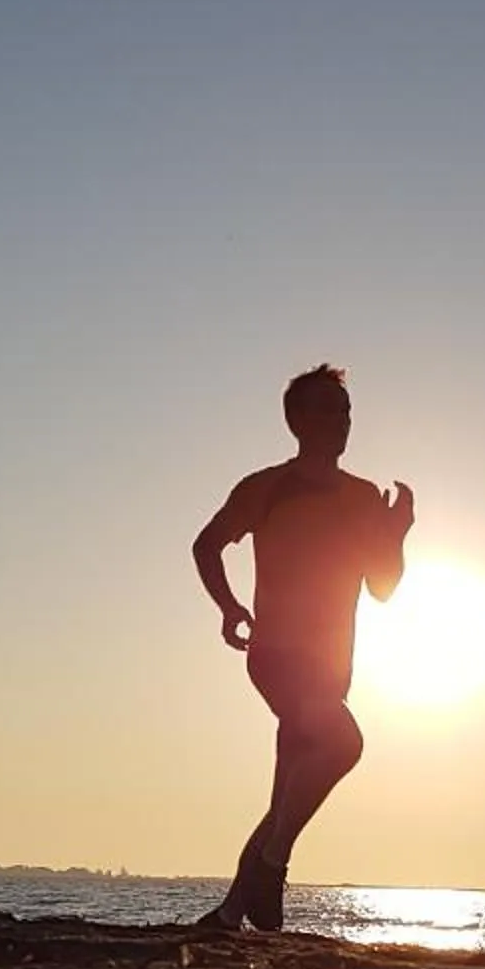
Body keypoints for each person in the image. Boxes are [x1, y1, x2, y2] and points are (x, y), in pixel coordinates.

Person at [190, 363, 413, 930]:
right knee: (344, 743)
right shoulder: (266, 487)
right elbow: (207, 545)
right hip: (278, 657)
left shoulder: (364, 498)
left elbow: (383, 587)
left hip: (332, 669)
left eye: (345, 412)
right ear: (296, 420)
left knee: (288, 791)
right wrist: (230, 608)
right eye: (325, 410)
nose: (338, 422)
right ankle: (273, 863)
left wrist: (396, 533)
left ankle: (234, 911)